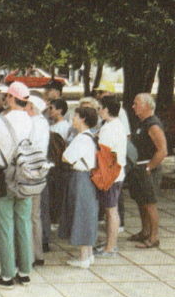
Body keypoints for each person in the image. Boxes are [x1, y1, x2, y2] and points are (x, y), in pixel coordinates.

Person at [0, 81, 33, 289]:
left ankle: (6, 275)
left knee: (5, 225)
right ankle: (25, 272)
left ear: (11, 98)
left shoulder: (1, 122)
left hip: (4, 176)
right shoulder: (33, 121)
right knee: (23, 223)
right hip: (27, 176)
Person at [59, 107, 99, 268]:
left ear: (83, 119)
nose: (72, 119)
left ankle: (83, 258)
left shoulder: (81, 138)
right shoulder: (91, 136)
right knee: (87, 213)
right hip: (89, 178)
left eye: (75, 116)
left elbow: (66, 157)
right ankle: (88, 254)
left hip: (80, 177)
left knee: (80, 213)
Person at [128, 93, 167, 249]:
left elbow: (162, 150)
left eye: (136, 103)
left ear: (146, 105)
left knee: (149, 203)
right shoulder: (141, 123)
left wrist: (149, 167)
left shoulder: (153, 125)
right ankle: (145, 231)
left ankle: (154, 237)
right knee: (141, 201)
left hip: (147, 168)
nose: (133, 106)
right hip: (138, 167)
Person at [94, 95, 127, 257]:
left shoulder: (109, 128)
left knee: (111, 211)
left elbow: (103, 152)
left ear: (106, 109)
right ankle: (109, 243)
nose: (99, 111)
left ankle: (110, 247)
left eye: (100, 108)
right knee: (109, 210)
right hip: (117, 173)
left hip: (110, 175)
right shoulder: (116, 124)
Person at [26, 95, 50, 266]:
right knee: (34, 215)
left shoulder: (35, 123)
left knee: (30, 215)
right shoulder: (41, 122)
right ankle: (37, 253)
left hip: (31, 171)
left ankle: (31, 254)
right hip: (38, 170)